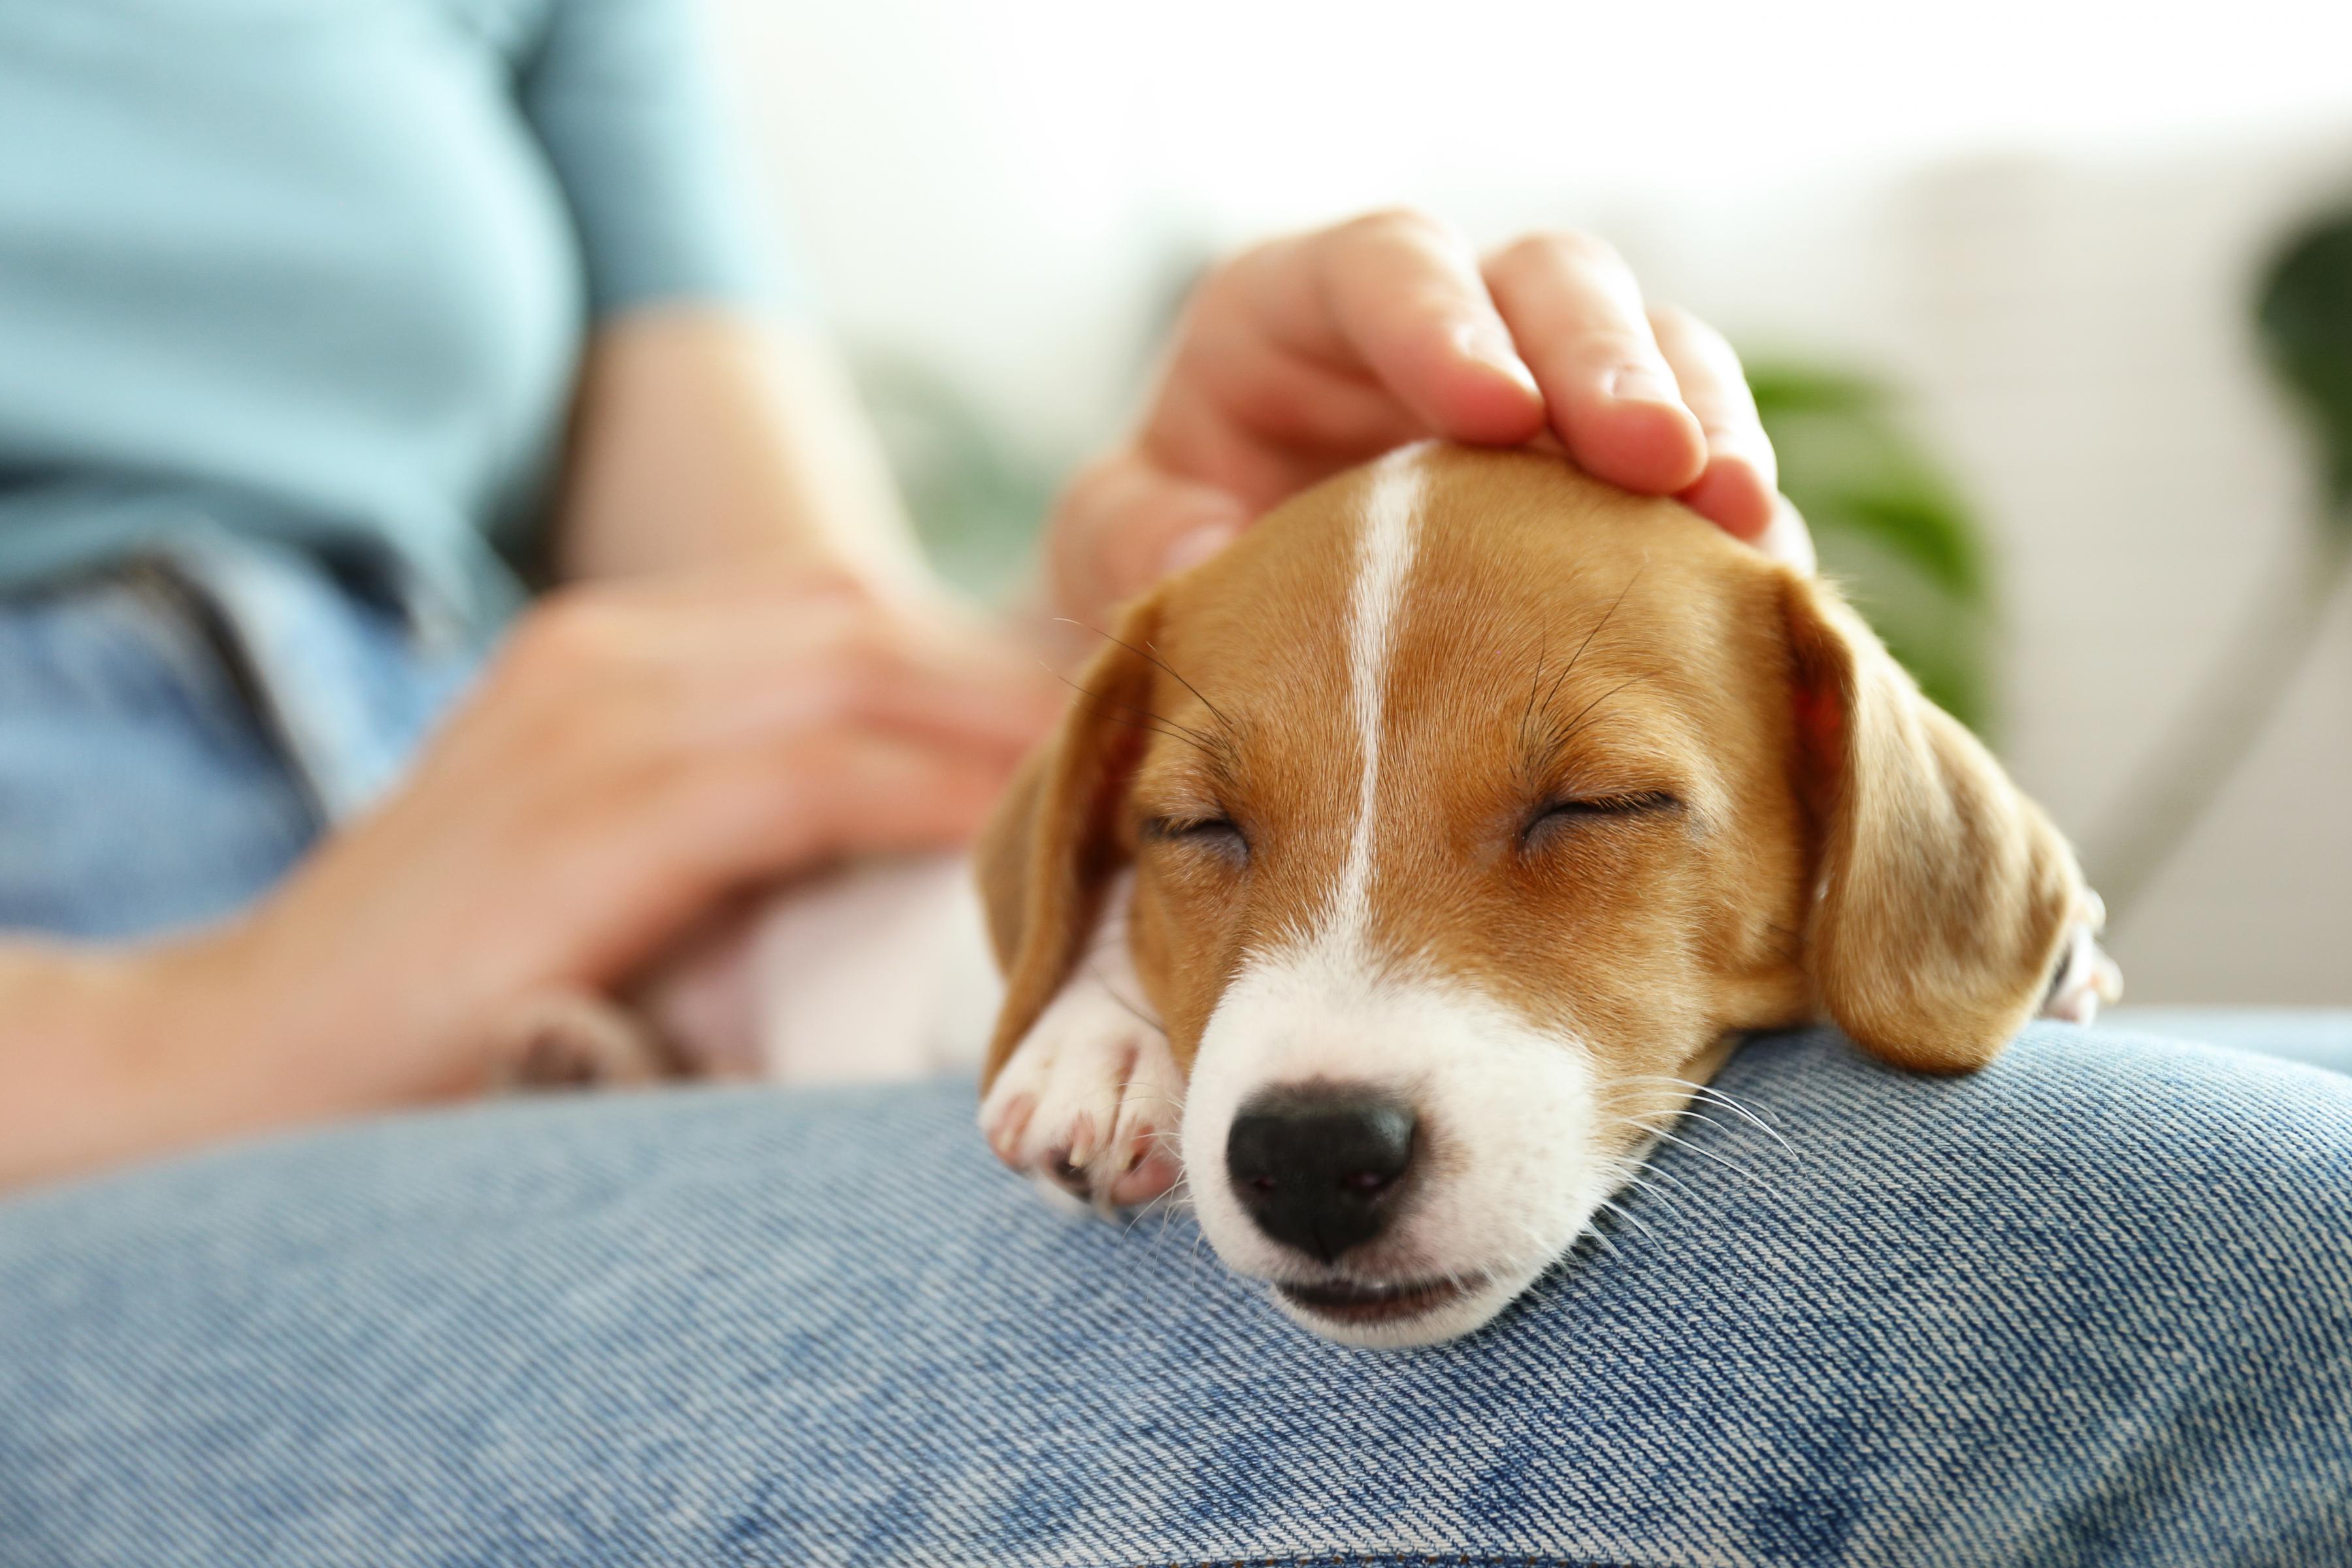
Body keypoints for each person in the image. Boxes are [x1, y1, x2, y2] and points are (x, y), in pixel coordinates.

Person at [4, 3, 2346, 1562]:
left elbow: (817, 652)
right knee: (2196, 1257)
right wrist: (209, 1020)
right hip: (97, 1077)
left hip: (657, 916)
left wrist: (1233, 602)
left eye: (1589, 811)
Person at [0, 0, 1799, 1188]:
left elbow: (808, 668)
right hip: (97, 1120)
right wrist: (218, 1023)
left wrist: (1210, 641)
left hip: (611, 1001)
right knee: (2030, 1236)